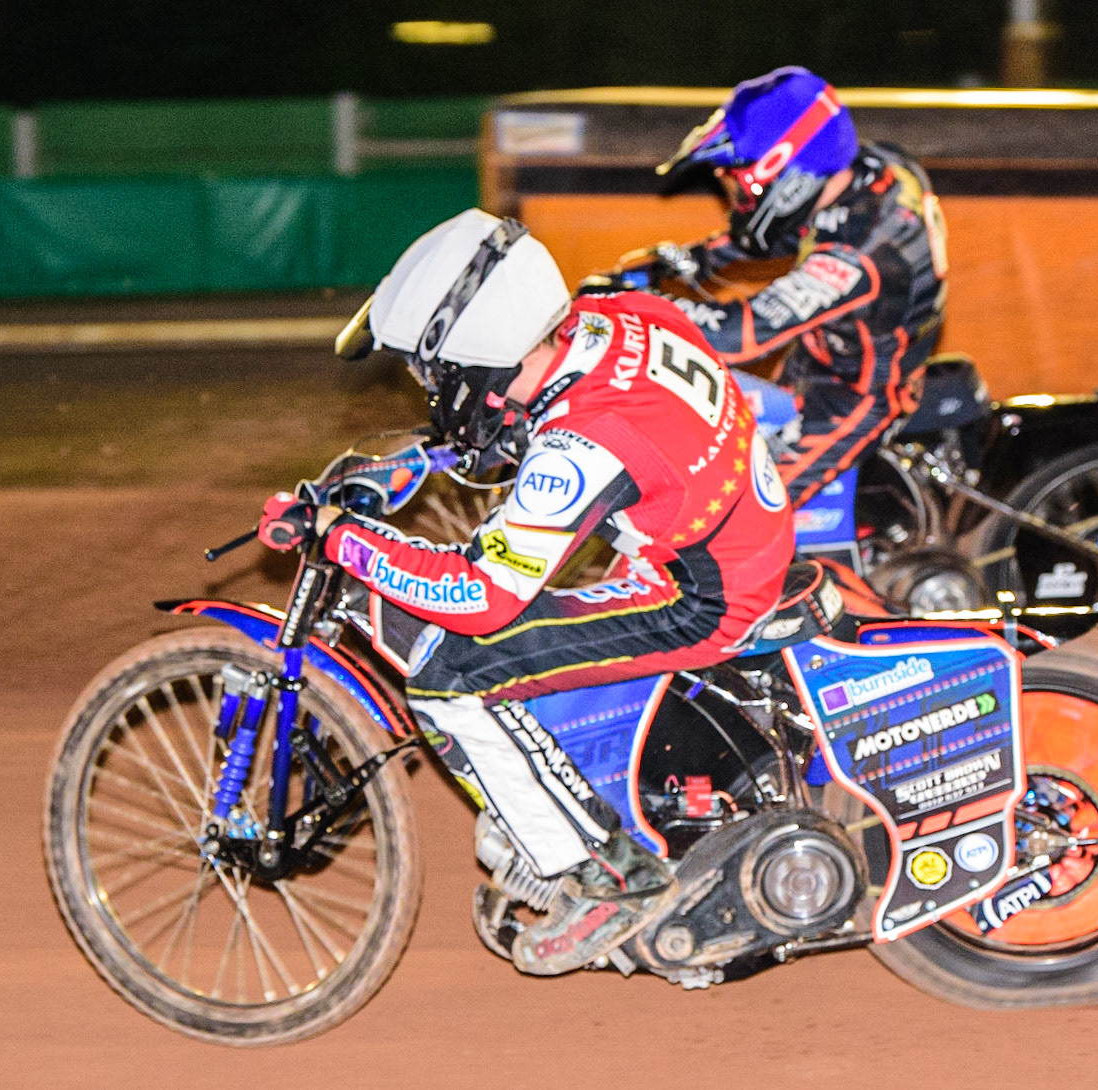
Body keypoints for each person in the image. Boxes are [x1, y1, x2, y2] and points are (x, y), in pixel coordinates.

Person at [258, 208, 795, 975]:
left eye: (429, 372)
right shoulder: (612, 317)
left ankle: (614, 881)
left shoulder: (581, 448)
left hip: (702, 596)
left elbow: (479, 596)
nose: (426, 387)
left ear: (473, 355)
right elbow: (512, 428)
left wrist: (346, 537)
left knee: (450, 674)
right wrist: (402, 468)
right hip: (735, 532)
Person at [590, 65, 948, 508]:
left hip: (855, 396)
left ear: (789, 177)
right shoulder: (866, 168)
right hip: (828, 349)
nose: (737, 203)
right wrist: (688, 261)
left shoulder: (859, 253)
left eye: (740, 189)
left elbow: (735, 336)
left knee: (740, 511)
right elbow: (783, 233)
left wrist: (629, 303)